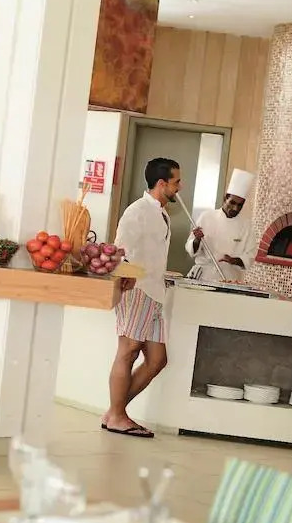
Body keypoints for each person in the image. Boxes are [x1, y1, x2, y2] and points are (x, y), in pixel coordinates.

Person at [103, 158, 182, 438]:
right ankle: (117, 416)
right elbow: (121, 249)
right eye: (176, 182)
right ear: (162, 183)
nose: (179, 187)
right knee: (128, 350)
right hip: (137, 289)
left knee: (157, 359)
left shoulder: (161, 213)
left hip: (155, 292)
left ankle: (115, 412)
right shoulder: (137, 211)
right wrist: (128, 275)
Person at [185, 168, 259, 282]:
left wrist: (233, 260)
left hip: (228, 279)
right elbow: (190, 248)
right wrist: (197, 240)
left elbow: (250, 256)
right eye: (232, 203)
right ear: (225, 198)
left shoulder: (246, 226)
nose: (235, 208)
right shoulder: (207, 217)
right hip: (203, 276)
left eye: (240, 205)